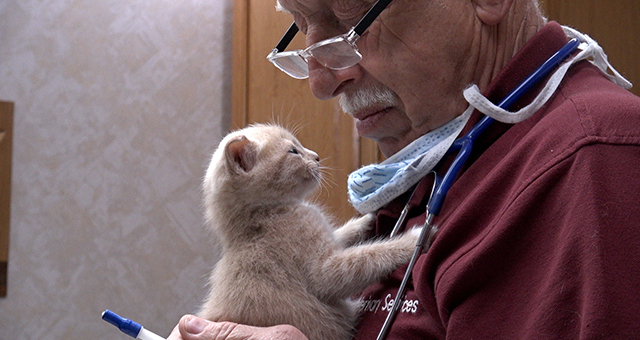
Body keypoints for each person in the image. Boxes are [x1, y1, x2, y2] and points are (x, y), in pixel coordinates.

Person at [168, 0, 640, 339]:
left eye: (348, 17)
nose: (321, 81)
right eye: (299, 25)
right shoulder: (437, 157)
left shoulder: (592, 160)